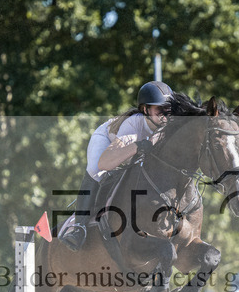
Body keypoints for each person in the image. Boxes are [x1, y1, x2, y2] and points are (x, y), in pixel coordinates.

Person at [58, 81, 173, 251]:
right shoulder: (133, 125)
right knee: (97, 171)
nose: (165, 114)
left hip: (132, 151)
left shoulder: (168, 125)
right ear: (145, 110)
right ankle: (79, 228)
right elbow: (105, 162)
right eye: (159, 109)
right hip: (106, 141)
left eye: (168, 108)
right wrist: (139, 146)